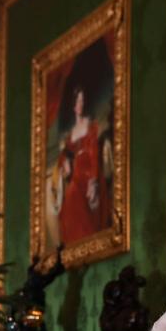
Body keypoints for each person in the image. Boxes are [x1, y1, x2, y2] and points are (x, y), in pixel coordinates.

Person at [53, 84, 110, 245]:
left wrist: (92, 181)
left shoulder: (90, 125)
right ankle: (75, 244)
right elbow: (66, 153)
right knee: (68, 201)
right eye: (78, 101)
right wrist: (64, 163)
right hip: (77, 174)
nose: (80, 104)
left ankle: (85, 240)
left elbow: (93, 152)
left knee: (73, 196)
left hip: (89, 172)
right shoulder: (71, 133)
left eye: (82, 100)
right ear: (73, 104)